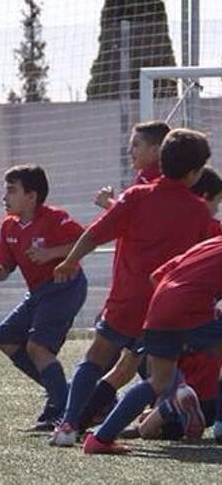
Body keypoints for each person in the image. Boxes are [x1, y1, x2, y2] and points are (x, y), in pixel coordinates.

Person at [52, 128, 216, 447]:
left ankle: (69, 424)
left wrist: (70, 260)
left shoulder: (137, 195)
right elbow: (198, 259)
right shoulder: (198, 210)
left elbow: (95, 233)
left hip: (126, 299)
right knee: (154, 371)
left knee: (95, 358)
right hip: (163, 305)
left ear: (161, 156)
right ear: (195, 173)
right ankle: (176, 394)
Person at [82, 233, 222, 454]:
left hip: (158, 307)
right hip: (191, 308)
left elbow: (156, 277)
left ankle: (100, 439)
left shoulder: (207, 245)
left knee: (159, 381)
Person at [0, 165, 87, 429]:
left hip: (65, 286)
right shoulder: (8, 225)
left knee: (38, 347)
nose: (4, 197)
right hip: (39, 293)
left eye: (11, 190)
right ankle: (66, 396)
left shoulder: (54, 218)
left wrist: (50, 253)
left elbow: (86, 240)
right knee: (5, 337)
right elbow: (6, 266)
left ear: (31, 196)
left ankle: (63, 411)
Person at [94, 121, 170, 209]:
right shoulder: (144, 177)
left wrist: (109, 204)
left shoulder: (163, 182)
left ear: (155, 150)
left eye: (136, 145)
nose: (129, 151)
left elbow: (141, 217)